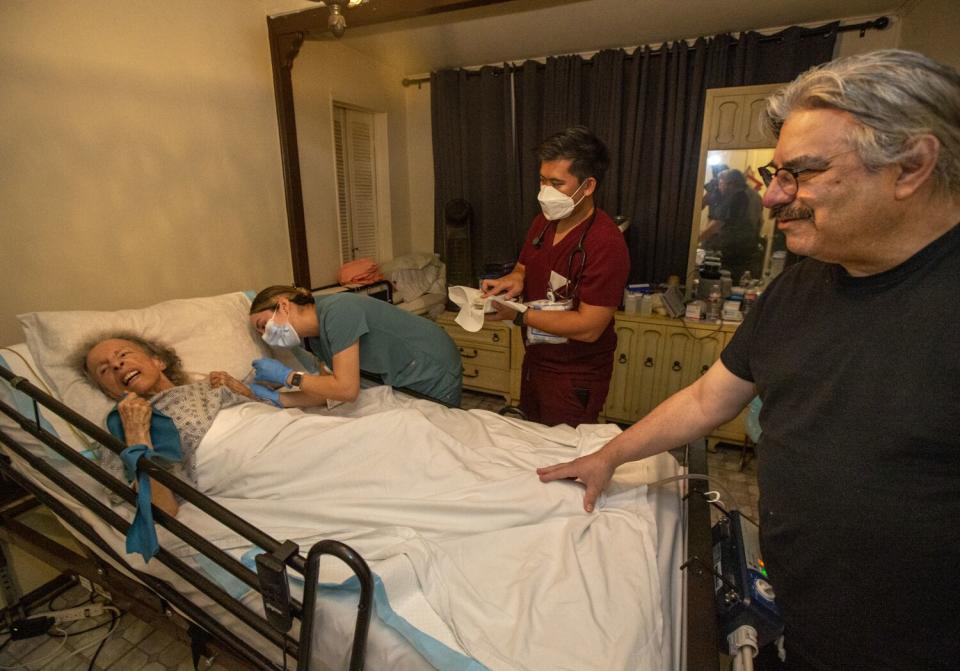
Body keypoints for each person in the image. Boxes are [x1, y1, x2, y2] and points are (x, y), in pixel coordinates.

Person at [538, 50, 960, 669]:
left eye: (802, 174)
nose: (773, 199)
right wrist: (609, 454)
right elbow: (708, 398)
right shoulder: (801, 285)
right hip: (807, 611)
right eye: (774, 173)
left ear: (910, 166)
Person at [481, 126, 629, 427]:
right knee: (533, 441)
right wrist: (513, 280)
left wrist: (519, 314)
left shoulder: (606, 244)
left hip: (574, 376)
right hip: (535, 362)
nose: (544, 192)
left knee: (562, 457)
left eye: (556, 183)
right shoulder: (543, 223)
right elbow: (525, 266)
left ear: (587, 186)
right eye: (542, 180)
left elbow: (589, 328)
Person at [248, 286, 462, 407]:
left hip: (432, 366)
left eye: (263, 326)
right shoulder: (316, 338)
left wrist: (289, 377)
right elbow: (330, 391)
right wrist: (279, 399)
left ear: (284, 305)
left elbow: (346, 389)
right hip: (404, 374)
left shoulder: (338, 311)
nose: (265, 336)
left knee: (440, 437)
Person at [699, 168, 762, 280]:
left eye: (721, 183)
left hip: (731, 252)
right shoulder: (755, 195)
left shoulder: (734, 197)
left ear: (731, 184)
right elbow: (760, 221)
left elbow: (717, 224)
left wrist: (696, 241)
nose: (719, 187)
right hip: (748, 250)